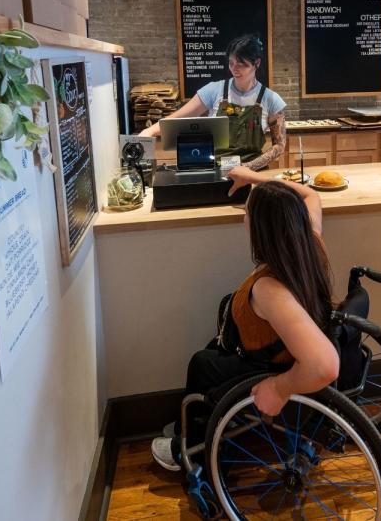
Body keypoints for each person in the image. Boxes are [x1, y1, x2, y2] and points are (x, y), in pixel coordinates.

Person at [151, 166, 340, 471]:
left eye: (248, 213)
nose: (244, 218)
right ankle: (188, 430)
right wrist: (253, 178)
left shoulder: (269, 289)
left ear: (260, 229)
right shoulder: (312, 243)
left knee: (202, 364)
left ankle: (187, 450)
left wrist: (279, 388)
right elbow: (310, 194)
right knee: (211, 352)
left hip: (268, 366)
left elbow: (325, 365)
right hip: (281, 349)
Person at [140, 35, 287, 170]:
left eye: (241, 64)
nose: (234, 69)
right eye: (231, 63)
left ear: (257, 63)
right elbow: (177, 118)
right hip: (215, 169)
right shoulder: (214, 90)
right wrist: (149, 131)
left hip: (254, 173)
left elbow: (279, 146)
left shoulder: (271, 99)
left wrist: (248, 167)